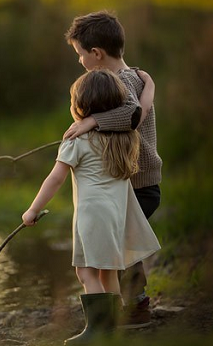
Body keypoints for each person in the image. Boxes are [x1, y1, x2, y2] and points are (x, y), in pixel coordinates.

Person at [22, 69, 161, 345]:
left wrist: (32, 210)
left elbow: (55, 178)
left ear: (80, 106)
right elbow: (143, 108)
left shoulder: (77, 140)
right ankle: (113, 328)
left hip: (93, 215)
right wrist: (149, 84)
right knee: (107, 271)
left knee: (85, 271)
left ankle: (99, 329)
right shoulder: (125, 138)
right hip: (117, 215)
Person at [63, 10, 163, 329]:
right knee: (121, 246)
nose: (80, 61)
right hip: (133, 183)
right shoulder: (133, 77)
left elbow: (133, 115)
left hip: (137, 184)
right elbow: (138, 108)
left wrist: (92, 121)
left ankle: (133, 307)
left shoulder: (121, 82)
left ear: (96, 53)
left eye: (81, 55)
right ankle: (129, 306)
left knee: (120, 249)